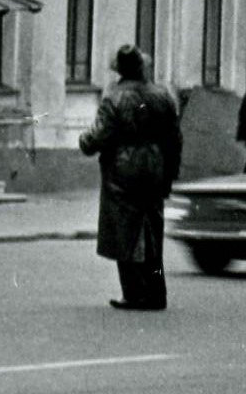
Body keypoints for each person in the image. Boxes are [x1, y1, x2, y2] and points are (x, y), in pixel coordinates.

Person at [76, 45, 182, 311]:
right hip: (155, 168)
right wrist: (169, 175)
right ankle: (157, 293)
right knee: (153, 234)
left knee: (125, 232)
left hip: (122, 171)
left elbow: (98, 136)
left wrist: (84, 141)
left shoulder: (115, 97)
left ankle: (134, 294)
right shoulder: (162, 96)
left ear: (120, 70)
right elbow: (175, 140)